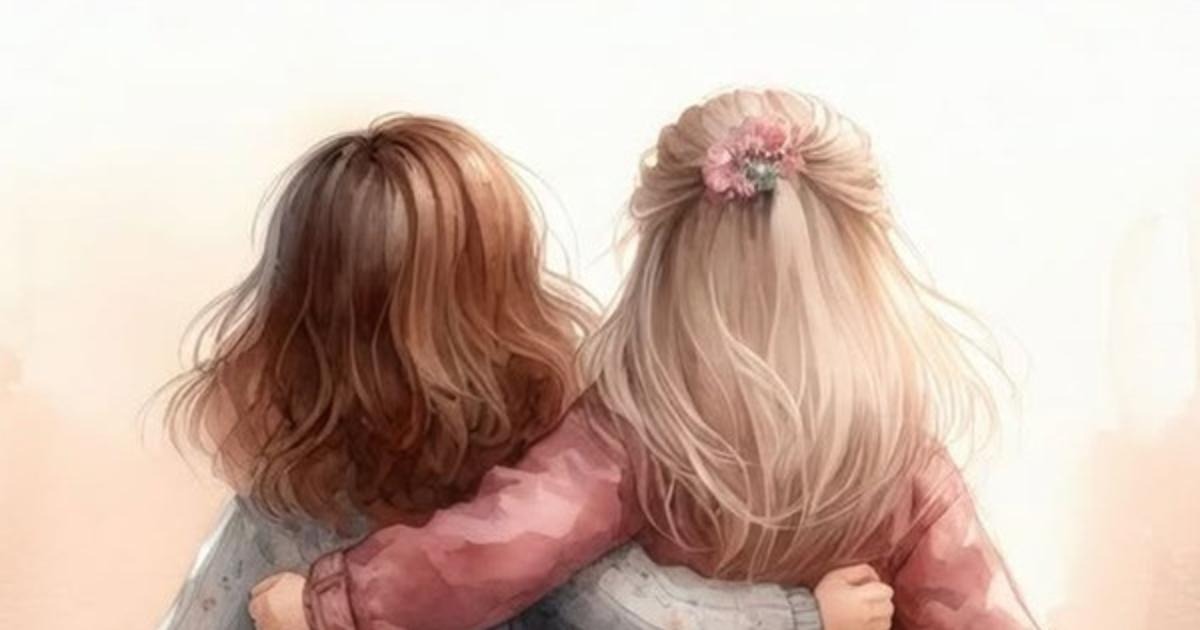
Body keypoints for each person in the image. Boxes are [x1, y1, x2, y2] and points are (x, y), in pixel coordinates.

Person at [250, 89, 1038, 630]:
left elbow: (490, 551)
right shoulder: (906, 463)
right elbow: (981, 612)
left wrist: (331, 604)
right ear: (860, 266)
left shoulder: (629, 432)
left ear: (662, 257)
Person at [159, 113, 883, 630]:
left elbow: (203, 612)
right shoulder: (530, 488)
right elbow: (634, 612)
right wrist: (804, 616)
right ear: (501, 301)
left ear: (293, 312)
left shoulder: (283, 503)